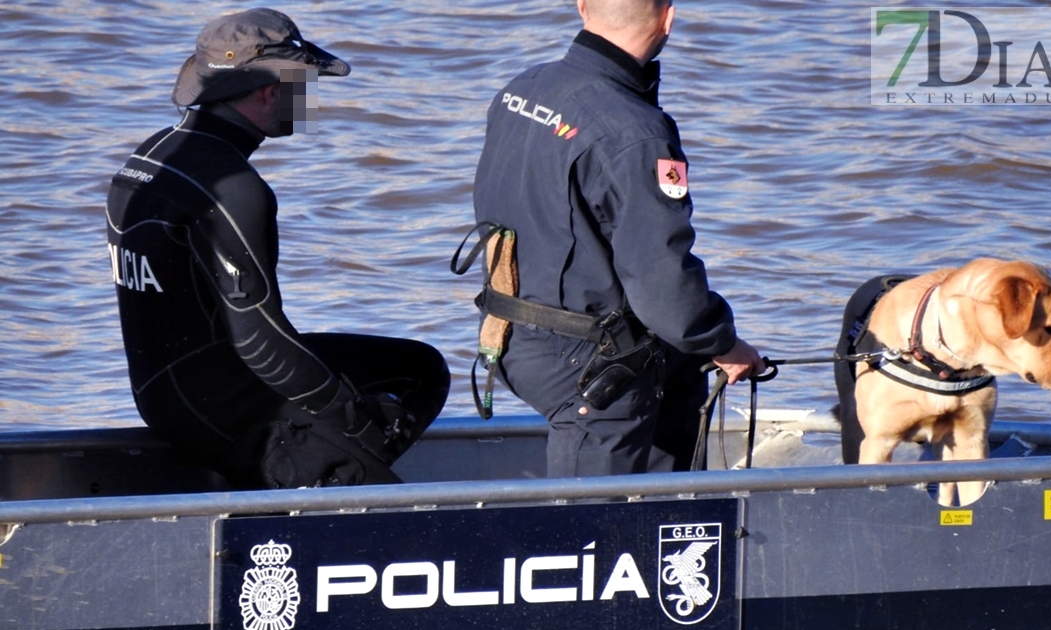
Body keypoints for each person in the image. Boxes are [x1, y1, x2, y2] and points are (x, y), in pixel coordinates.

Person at [106, 8, 450, 489]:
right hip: (225, 407)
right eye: (306, 84)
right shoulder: (235, 189)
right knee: (385, 494)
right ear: (272, 90)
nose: (311, 99)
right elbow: (259, 341)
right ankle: (335, 469)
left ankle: (327, 464)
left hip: (164, 391)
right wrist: (348, 417)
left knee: (419, 368)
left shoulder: (151, 155)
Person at [467, 0, 765, 478]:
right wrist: (724, 344)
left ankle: (674, 524)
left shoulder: (521, 88)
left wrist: (700, 343)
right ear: (668, 18)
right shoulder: (639, 134)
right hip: (582, 368)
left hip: (504, 335)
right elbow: (664, 286)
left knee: (682, 368)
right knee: (591, 534)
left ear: (583, 8)